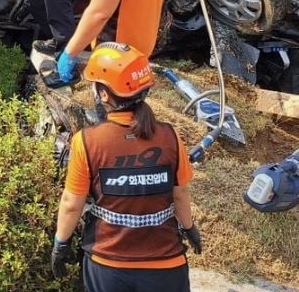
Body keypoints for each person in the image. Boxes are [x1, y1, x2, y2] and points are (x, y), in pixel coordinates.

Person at [52, 43, 201, 292]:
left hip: (108, 266)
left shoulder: (88, 141)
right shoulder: (170, 136)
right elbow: (180, 195)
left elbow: (71, 203)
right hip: (167, 266)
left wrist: (61, 243)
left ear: (104, 94)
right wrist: (189, 228)